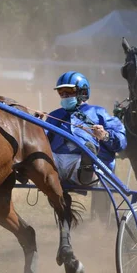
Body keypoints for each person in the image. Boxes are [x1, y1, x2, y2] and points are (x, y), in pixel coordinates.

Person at [46, 71, 127, 222]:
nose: (64, 96)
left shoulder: (98, 113)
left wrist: (105, 136)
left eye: (69, 92)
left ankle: (86, 168)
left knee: (86, 152)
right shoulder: (53, 116)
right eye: (61, 92)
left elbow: (122, 141)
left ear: (83, 92)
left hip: (87, 165)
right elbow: (42, 138)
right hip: (57, 165)